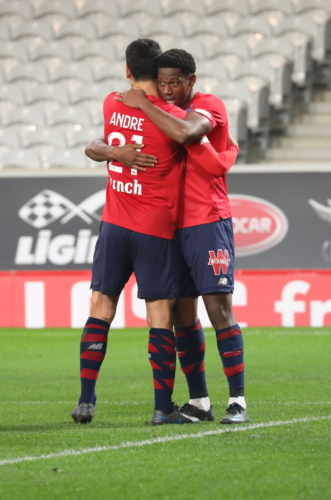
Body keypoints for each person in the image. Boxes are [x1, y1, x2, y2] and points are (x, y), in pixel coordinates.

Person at [73, 39, 237, 426]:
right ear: (160, 75)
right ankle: (163, 408)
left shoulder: (113, 102)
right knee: (160, 315)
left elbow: (94, 146)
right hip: (155, 230)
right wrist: (229, 151)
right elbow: (195, 145)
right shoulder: (173, 117)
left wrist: (114, 152)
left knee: (100, 306)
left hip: (113, 224)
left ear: (128, 72)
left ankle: (85, 400)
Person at [113, 49, 249, 425]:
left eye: (176, 82)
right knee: (184, 316)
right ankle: (200, 401)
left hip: (207, 221)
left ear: (192, 80)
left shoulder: (209, 104)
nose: (169, 89)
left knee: (218, 309)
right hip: (170, 225)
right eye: (163, 82)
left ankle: (237, 401)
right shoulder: (156, 107)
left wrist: (145, 103)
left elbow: (188, 131)